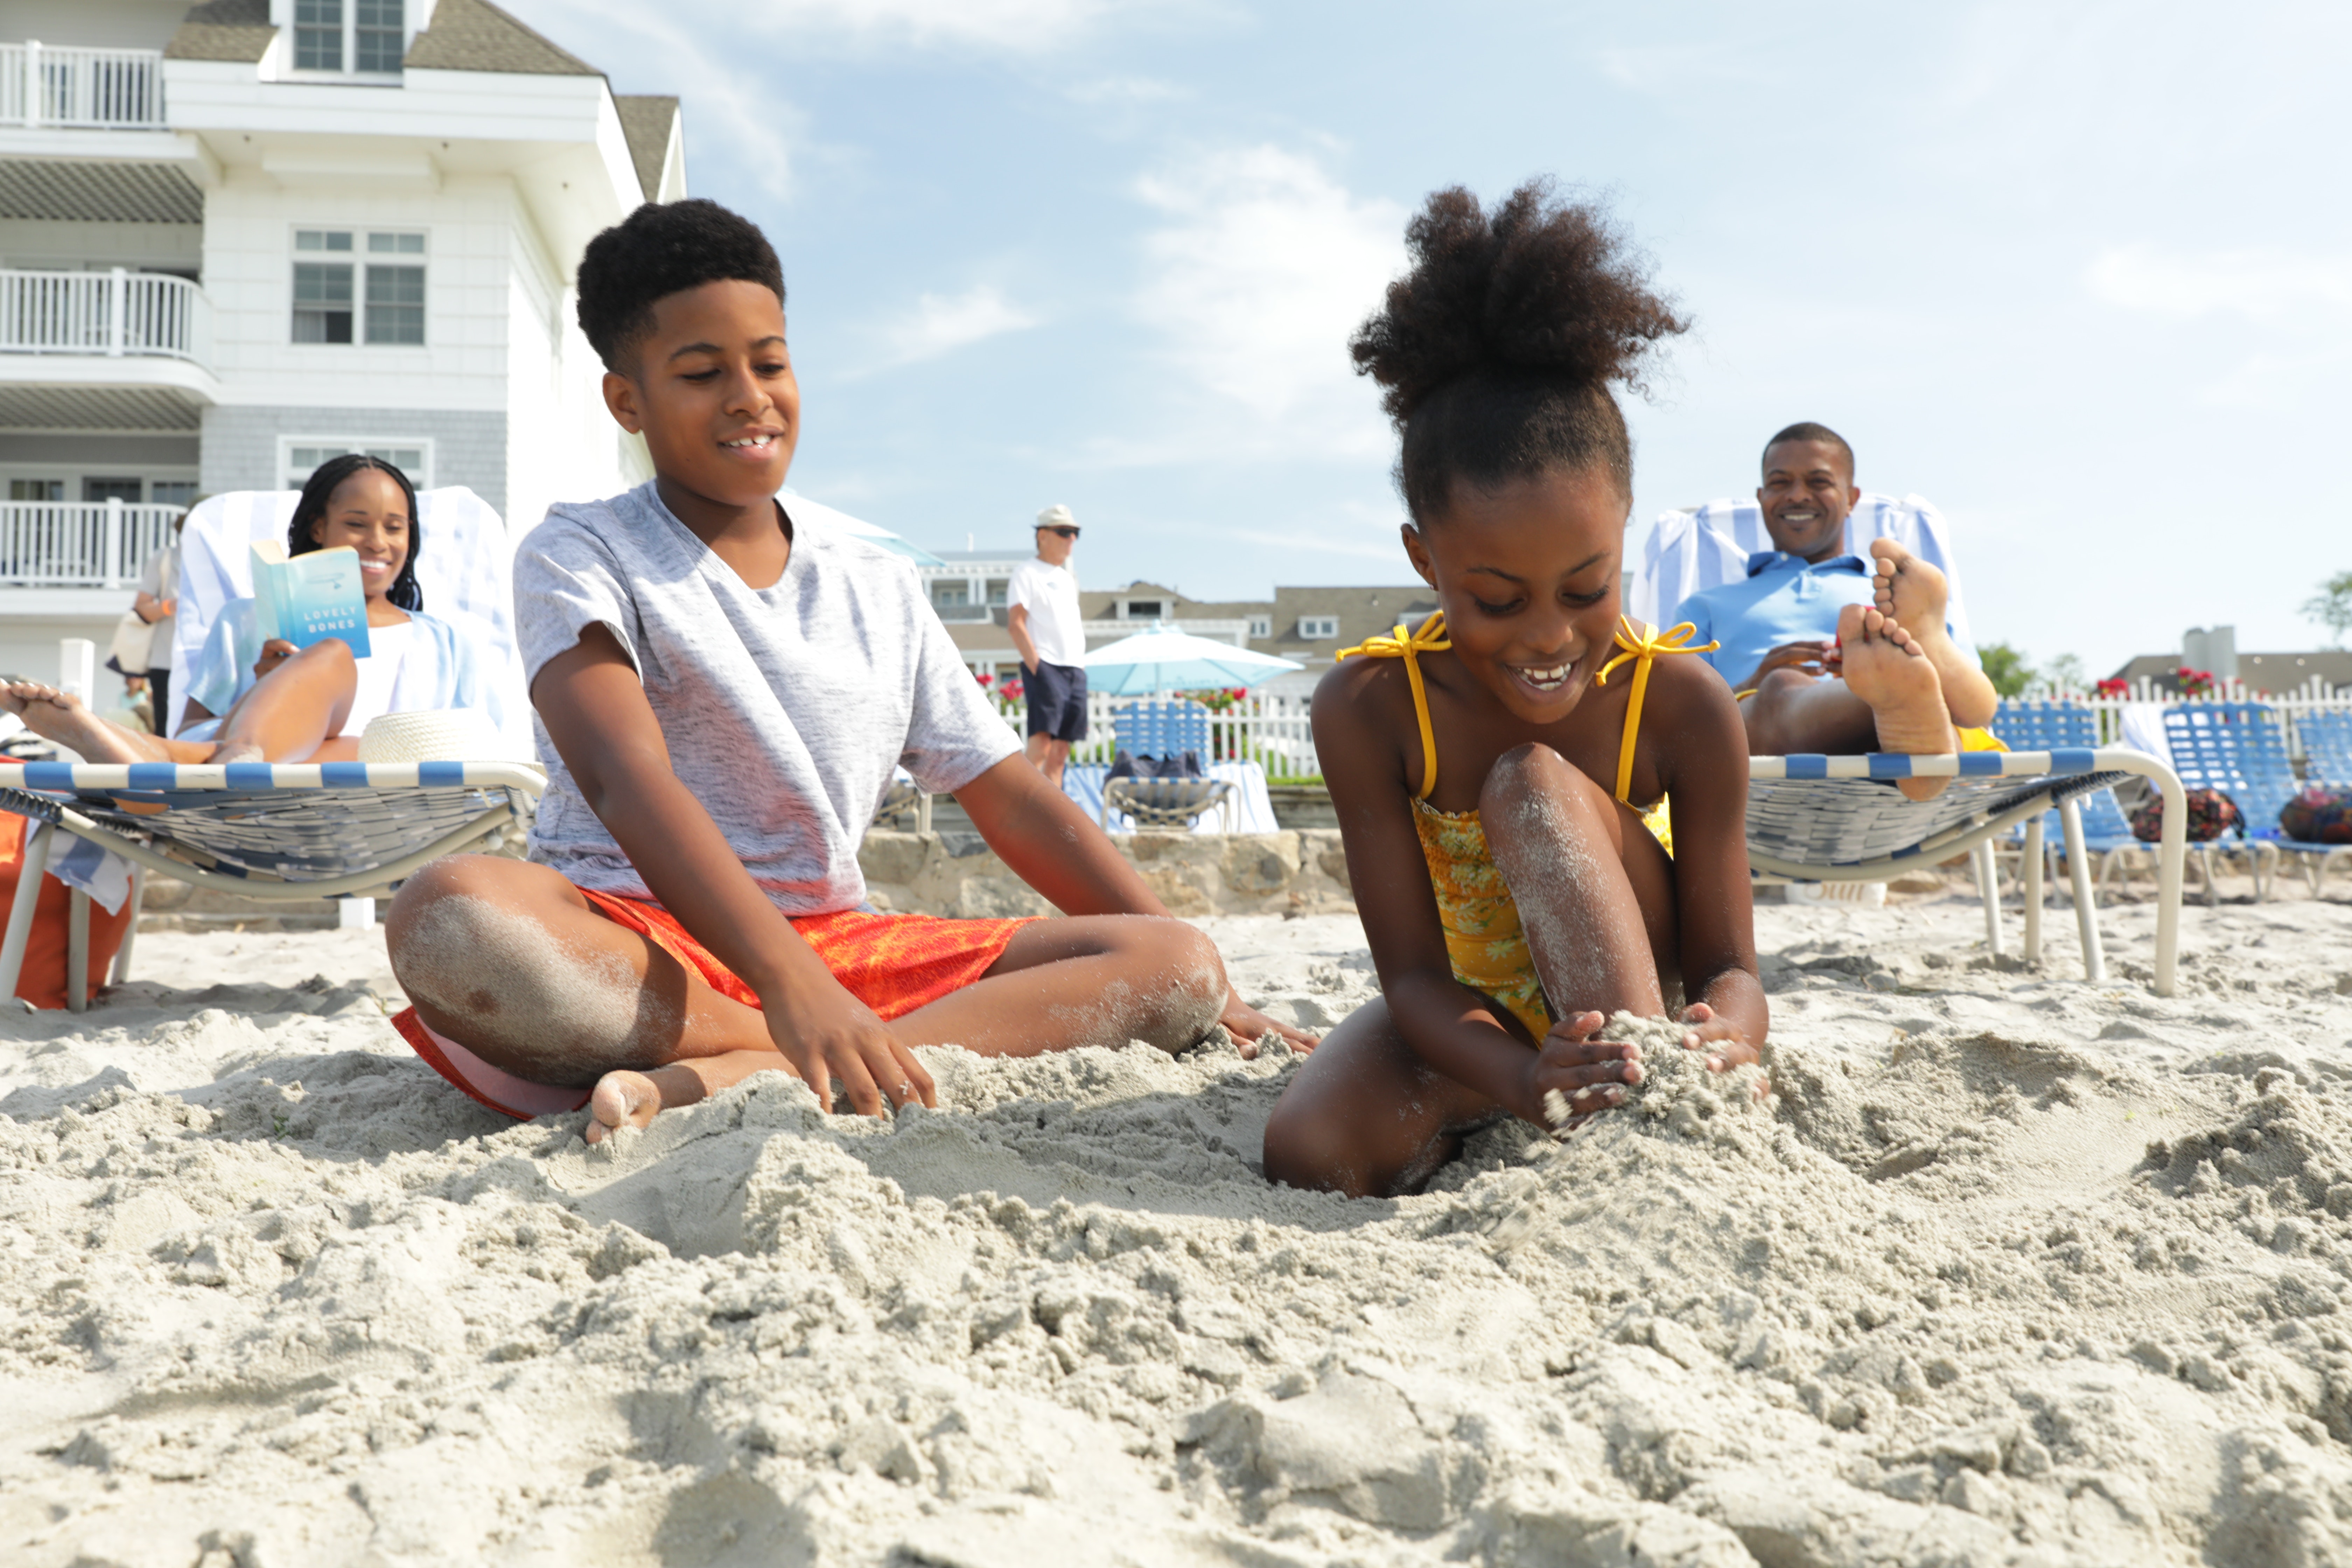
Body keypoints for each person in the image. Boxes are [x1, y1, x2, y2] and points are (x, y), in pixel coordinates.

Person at [378, 198, 1314, 1144]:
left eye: (771, 363)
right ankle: (775, 1043)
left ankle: (770, 1063)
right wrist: (791, 990)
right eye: (702, 373)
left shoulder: (877, 582)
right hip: (637, 948)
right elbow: (626, 777)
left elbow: (1013, 801)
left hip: (842, 949)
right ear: (629, 401)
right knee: (454, 915)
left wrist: (1220, 993)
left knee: (1174, 960)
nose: (750, 397)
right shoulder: (580, 551)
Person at [1258, 181, 1765, 1199]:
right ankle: (1545, 1102)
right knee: (1308, 1151)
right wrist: (1521, 1072)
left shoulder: (1678, 702)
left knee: (1530, 781)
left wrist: (1731, 1035)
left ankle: (1642, 1130)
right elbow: (1408, 979)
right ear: (1423, 558)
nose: (1547, 635)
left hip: (1636, 1006)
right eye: (1494, 598)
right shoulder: (1368, 708)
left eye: (1586, 587)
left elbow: (1728, 968)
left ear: (1624, 528)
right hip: (1477, 1019)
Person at [0, 456, 489, 765]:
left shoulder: (445, 642)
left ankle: (120, 742)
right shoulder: (244, 620)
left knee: (343, 691)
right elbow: (193, 725)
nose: (378, 543)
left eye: (395, 527)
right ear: (319, 528)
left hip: (376, 784)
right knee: (329, 654)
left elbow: (470, 745)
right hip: (268, 791)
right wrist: (264, 686)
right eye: (357, 524)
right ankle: (241, 754)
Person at [1670, 424, 1997, 801]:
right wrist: (1753, 683)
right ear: (1761, 497)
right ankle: (1886, 695)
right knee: (1780, 687)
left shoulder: (1898, 591)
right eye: (1780, 483)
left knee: (1926, 691)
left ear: (1851, 497)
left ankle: (1897, 687)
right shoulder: (1706, 605)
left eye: (1818, 482)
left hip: (1898, 744)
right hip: (1755, 756)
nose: (1797, 495)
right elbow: (1676, 719)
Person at [1007, 504, 1087, 787]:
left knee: (1061, 752)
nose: (1071, 539)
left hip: (1075, 669)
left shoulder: (1066, 579)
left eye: (1075, 533)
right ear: (1043, 535)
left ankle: (1052, 827)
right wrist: (1039, 668)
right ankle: (1018, 812)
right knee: (1041, 744)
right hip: (1047, 666)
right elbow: (1016, 623)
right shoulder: (1026, 572)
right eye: (1065, 532)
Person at [133, 511, 185, 727]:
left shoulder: (222, 557)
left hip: (208, 662)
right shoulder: (164, 558)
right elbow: (142, 608)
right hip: (167, 662)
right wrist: (169, 606)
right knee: (166, 730)